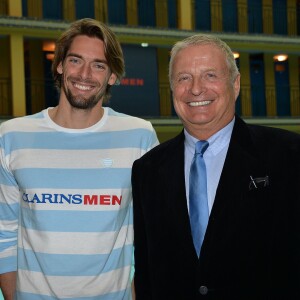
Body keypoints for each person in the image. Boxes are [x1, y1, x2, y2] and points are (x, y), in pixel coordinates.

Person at [132, 33, 300, 299]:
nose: (196, 89)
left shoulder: (289, 156)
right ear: (172, 88)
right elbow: (146, 273)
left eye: (210, 75)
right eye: (183, 77)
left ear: (235, 84)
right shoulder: (147, 170)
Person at [0, 18, 158, 299]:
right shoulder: (13, 137)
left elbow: (155, 232)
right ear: (60, 65)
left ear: (111, 76)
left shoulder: (138, 137)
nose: (85, 74)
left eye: (98, 65)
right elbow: (4, 234)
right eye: (75, 60)